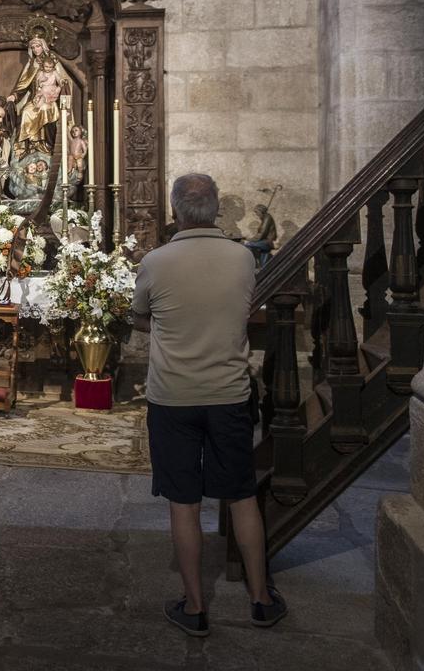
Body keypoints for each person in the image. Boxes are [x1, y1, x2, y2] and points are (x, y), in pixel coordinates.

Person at [132, 173, 287, 636]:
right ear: (216, 209)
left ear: (176, 211)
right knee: (241, 495)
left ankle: (196, 607)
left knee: (183, 502)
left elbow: (140, 315)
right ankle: (260, 599)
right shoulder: (242, 259)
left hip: (173, 396)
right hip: (228, 395)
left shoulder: (156, 261)